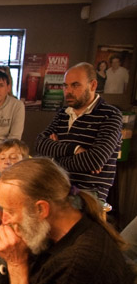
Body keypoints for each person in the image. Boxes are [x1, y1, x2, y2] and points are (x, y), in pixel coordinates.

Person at [0, 157, 134, 284]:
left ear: (41, 209)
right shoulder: (59, 231)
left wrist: (16, 264)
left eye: (10, 211)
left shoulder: (75, 265)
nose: (5, 220)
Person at [34, 62, 123, 202]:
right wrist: (74, 149)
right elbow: (39, 144)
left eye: (75, 85)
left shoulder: (111, 115)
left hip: (88, 193)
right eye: (65, 86)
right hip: (57, 186)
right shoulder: (63, 113)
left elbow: (94, 161)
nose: (68, 91)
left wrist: (55, 158)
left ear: (93, 85)